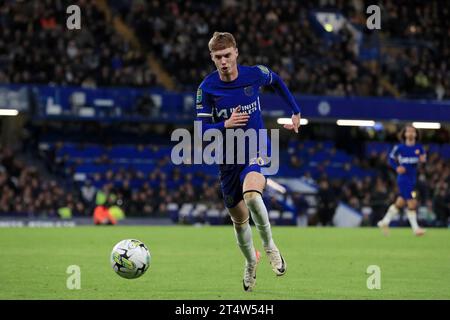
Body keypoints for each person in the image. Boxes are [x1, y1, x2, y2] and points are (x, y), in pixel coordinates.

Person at [195, 32, 301, 291]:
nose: (223, 61)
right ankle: (250, 263)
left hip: (256, 146)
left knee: (253, 196)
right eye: (218, 57)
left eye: (227, 55)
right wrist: (225, 124)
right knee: (239, 220)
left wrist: (295, 110)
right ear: (212, 57)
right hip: (228, 159)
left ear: (236, 53)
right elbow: (200, 133)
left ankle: (270, 246)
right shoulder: (206, 88)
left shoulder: (253, 74)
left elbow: (276, 81)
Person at [377, 125, 427, 236]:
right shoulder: (399, 148)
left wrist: (422, 159)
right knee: (411, 202)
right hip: (403, 178)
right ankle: (416, 229)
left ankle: (384, 221)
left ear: (416, 134)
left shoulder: (419, 148)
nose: (410, 133)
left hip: (412, 178)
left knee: (400, 202)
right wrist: (397, 167)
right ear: (404, 134)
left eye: (412, 131)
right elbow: (390, 159)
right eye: (408, 131)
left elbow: (423, 159)